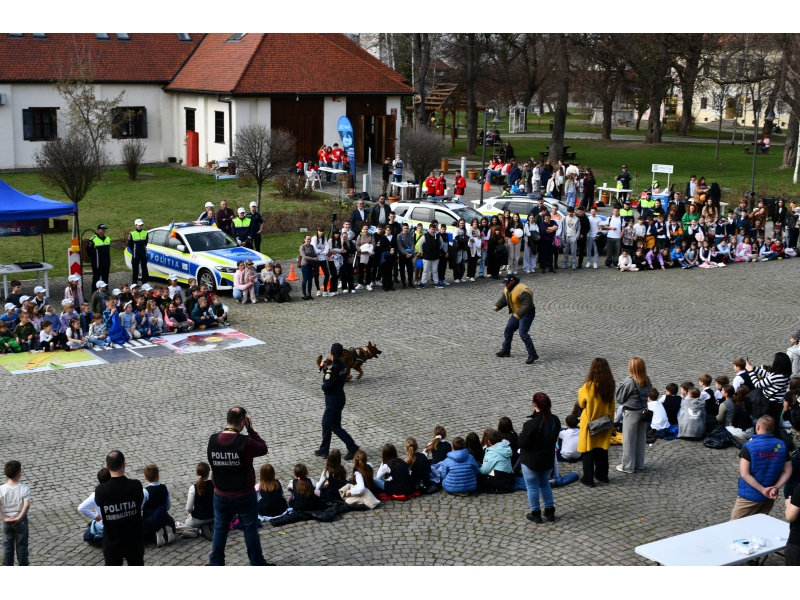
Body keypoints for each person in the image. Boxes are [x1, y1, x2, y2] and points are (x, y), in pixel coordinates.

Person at [206, 406, 270, 566]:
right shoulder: (246, 442)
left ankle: (216, 562)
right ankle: (257, 562)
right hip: (244, 494)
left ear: (227, 420)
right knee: (250, 530)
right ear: (242, 423)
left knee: (220, 529)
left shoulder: (213, 440)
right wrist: (251, 430)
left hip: (221, 493)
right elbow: (263, 448)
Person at [731, 416, 793, 520]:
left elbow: (745, 474)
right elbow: (788, 471)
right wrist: (775, 488)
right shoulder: (781, 446)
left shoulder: (749, 447)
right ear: (773, 428)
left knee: (735, 524)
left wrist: (763, 490)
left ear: (758, 427)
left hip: (749, 496)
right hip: (769, 497)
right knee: (758, 524)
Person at [94, 450, 144, 566]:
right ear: (123, 464)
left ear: (107, 467)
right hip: (134, 539)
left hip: (112, 541)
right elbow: (140, 502)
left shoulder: (101, 490)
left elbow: (98, 503)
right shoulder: (135, 485)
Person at [519, 392, 561, 523]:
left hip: (531, 461)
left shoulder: (531, 424)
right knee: (544, 483)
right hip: (547, 459)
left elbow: (522, 443)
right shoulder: (555, 420)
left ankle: (536, 514)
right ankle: (549, 511)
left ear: (534, 404)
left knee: (532, 487)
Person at [314, 343, 359, 461]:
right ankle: (324, 450)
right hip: (339, 398)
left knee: (335, 426)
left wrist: (326, 371)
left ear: (331, 353)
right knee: (326, 424)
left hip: (333, 400)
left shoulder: (333, 368)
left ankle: (352, 447)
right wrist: (325, 369)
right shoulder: (342, 366)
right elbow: (334, 378)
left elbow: (326, 386)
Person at [577, 358, 615, 487]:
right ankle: (602, 476)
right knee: (602, 450)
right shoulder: (610, 385)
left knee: (588, 451)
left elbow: (582, 403)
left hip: (590, 422)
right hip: (605, 422)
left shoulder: (589, 386)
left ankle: (588, 479)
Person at [616, 357, 652, 474]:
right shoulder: (647, 380)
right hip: (643, 412)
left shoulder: (629, 381)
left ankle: (627, 466)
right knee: (641, 438)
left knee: (629, 439)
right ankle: (639, 463)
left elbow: (620, 399)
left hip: (631, 413)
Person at [494, 274, 538, 364]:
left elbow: (527, 305)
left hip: (527, 313)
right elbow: (505, 298)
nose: (505, 285)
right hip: (517, 313)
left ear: (512, 281)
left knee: (523, 333)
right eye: (505, 283)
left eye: (507, 283)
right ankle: (506, 350)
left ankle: (532, 354)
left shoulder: (523, 290)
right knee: (508, 330)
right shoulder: (508, 288)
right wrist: (498, 306)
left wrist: (518, 315)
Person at [745, 353, 792, 423]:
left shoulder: (775, 377)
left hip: (770, 403)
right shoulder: (786, 375)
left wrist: (750, 371)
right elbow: (768, 375)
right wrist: (754, 368)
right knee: (775, 421)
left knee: (768, 422)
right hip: (779, 403)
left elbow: (757, 384)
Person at [0, 460, 30, 566]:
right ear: (19, 474)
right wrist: (19, 518)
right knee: (22, 545)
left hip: (7, 521)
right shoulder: (24, 488)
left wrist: (4, 518)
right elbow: (26, 505)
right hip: (21, 521)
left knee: (7, 546)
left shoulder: (1, 489)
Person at [185, 462, 214, 539]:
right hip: (213, 516)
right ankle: (210, 525)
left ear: (196, 473)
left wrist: (192, 513)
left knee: (187, 522)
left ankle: (200, 529)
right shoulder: (214, 484)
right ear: (208, 473)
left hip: (199, 518)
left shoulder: (193, 488)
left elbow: (189, 508)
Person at [88, 224, 112, 291]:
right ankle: (94, 293)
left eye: (104, 229)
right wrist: (94, 259)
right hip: (97, 264)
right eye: (102, 229)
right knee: (96, 279)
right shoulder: (93, 240)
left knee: (105, 279)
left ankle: (106, 292)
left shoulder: (108, 238)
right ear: (98, 230)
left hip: (106, 263)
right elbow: (89, 251)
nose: (104, 230)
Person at [127, 219, 149, 285]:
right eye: (139, 225)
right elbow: (130, 245)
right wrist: (134, 250)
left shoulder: (145, 233)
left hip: (143, 254)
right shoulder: (132, 234)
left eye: (141, 225)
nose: (140, 226)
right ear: (136, 225)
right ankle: (134, 284)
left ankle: (144, 284)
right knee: (135, 270)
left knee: (144, 269)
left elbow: (146, 243)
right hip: (135, 255)